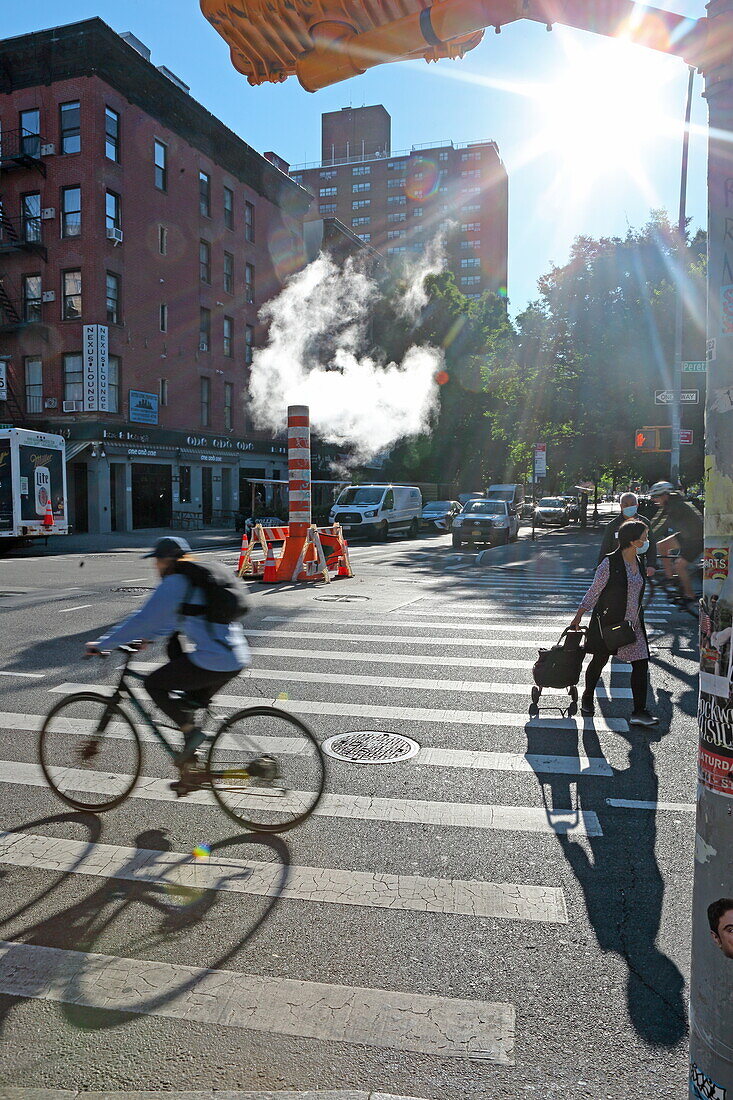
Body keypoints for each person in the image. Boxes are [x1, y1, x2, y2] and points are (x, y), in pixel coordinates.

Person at [86, 536, 249, 761]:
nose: (156, 566)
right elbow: (174, 620)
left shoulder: (176, 582)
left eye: (158, 561)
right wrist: (149, 638)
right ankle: (191, 768)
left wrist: (102, 644)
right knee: (186, 704)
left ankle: (192, 737)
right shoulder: (194, 582)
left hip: (215, 659)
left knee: (155, 684)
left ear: (168, 560)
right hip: (235, 656)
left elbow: (143, 618)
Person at [570, 519, 658, 727]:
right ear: (634, 541)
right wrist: (579, 615)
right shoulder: (610, 562)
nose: (647, 541)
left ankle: (638, 711)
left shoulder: (639, 561)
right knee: (599, 660)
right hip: (609, 622)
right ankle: (588, 697)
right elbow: (594, 591)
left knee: (640, 664)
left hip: (633, 623)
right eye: (645, 537)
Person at [649, 480, 703, 603]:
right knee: (661, 545)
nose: (654, 499)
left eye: (656, 496)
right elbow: (655, 521)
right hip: (686, 536)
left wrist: (648, 539)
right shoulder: (668, 504)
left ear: (665, 495)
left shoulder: (676, 506)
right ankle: (670, 578)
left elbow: (663, 526)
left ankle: (690, 595)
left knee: (679, 566)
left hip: (696, 540)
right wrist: (644, 532)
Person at [597, 492, 657, 576]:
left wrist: (651, 564)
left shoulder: (644, 522)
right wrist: (600, 568)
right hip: (617, 568)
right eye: (626, 504)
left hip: (638, 567)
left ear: (637, 505)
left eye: (632, 504)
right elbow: (605, 547)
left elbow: (652, 545)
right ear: (621, 506)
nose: (629, 507)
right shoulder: (612, 525)